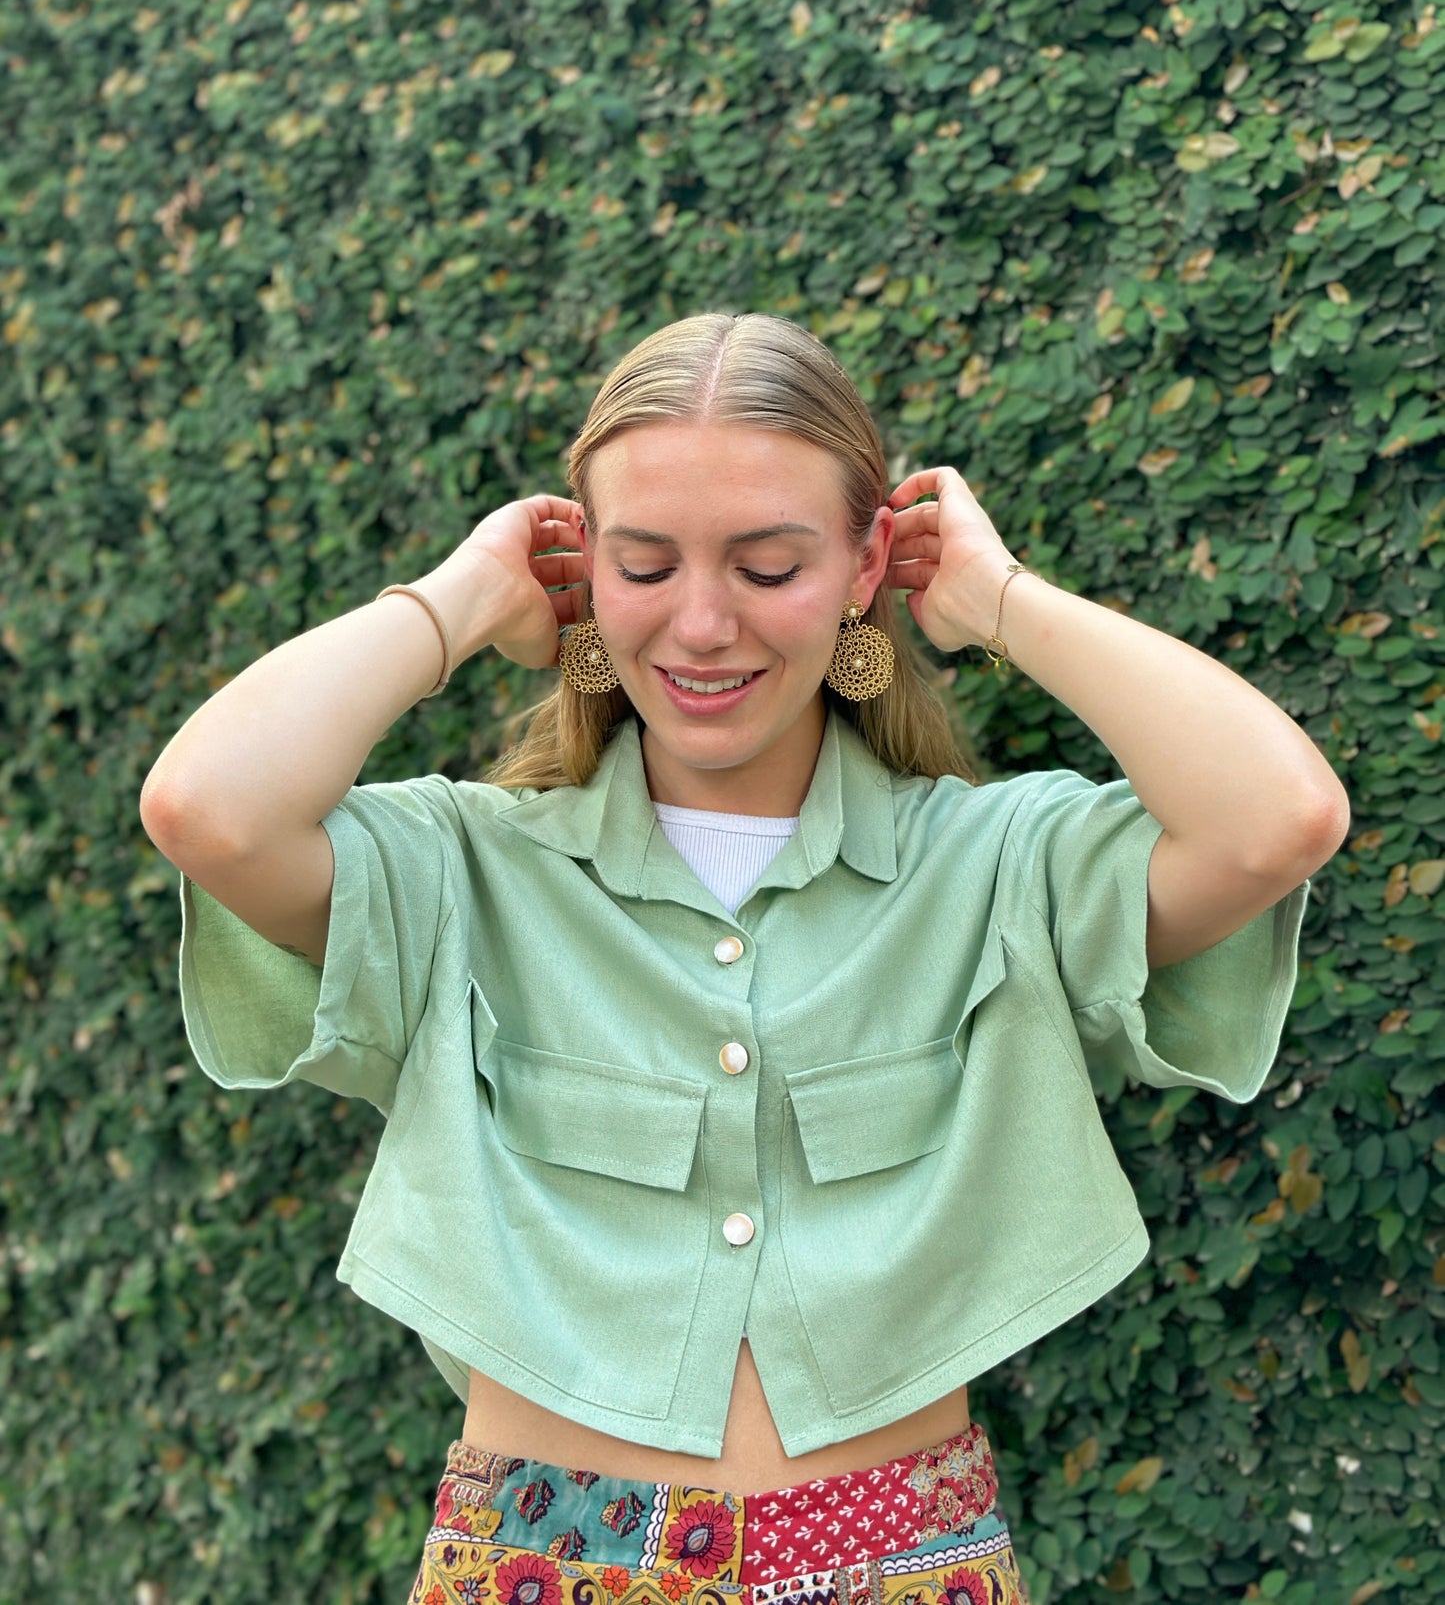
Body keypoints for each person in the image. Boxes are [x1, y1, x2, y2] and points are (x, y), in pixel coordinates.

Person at [140, 310, 1349, 1605]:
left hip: (901, 1564)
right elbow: (208, 812)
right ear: (586, 573)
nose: (702, 624)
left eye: (769, 565)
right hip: (535, 1566)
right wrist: (459, 600)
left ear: (862, 559)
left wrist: (997, 602)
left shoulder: (999, 867)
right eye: (644, 565)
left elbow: (1275, 821)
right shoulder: (461, 872)